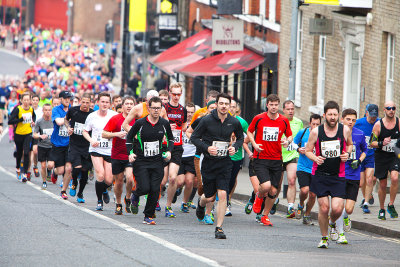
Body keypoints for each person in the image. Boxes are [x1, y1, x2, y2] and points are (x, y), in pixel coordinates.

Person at [191, 93, 244, 239]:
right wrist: (206, 148)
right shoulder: (206, 120)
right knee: (209, 197)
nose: (224, 106)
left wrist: (236, 147)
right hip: (209, 162)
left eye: (227, 104)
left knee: (222, 194)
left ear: (229, 105)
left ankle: (219, 228)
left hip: (225, 162)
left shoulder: (233, 122)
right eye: (221, 103)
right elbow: (194, 137)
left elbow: (240, 137)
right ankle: (201, 204)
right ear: (217, 104)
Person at [305, 101, 353, 248]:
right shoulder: (316, 132)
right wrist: (315, 158)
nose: (333, 117)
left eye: (335, 114)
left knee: (338, 208)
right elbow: (307, 150)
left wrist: (347, 153)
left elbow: (350, 144)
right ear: (324, 115)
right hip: (320, 174)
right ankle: (324, 238)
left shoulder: (344, 130)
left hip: (338, 175)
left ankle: (332, 223)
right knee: (324, 208)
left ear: (338, 115)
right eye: (330, 114)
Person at [126, 96, 174, 225]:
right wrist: (130, 153)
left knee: (155, 189)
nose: (156, 110)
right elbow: (129, 138)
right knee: (145, 187)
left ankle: (148, 215)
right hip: (141, 160)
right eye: (154, 108)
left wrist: (169, 151)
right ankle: (135, 195)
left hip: (157, 160)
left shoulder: (164, 124)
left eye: (159, 108)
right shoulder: (140, 123)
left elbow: (171, 139)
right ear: (149, 108)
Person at [248, 94, 292, 227]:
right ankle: (259, 197)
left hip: (276, 159)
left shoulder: (284, 120)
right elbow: (249, 132)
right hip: (261, 158)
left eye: (276, 105)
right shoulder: (259, 118)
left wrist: (287, 141)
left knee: (273, 191)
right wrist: (254, 144)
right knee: (266, 186)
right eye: (271, 105)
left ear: (278, 106)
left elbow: (289, 135)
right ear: (267, 105)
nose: (273, 107)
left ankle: (265, 215)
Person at [336, 108, 367, 244]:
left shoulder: (360, 134)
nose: (351, 122)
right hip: (340, 174)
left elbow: (365, 151)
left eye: (353, 120)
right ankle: (340, 233)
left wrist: (359, 160)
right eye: (348, 119)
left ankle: (346, 217)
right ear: (342, 119)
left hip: (354, 175)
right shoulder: (336, 134)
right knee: (339, 206)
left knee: (348, 209)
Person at [83, 92, 118, 211]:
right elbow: (85, 131)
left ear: (110, 104)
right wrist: (91, 140)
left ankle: (103, 190)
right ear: (98, 102)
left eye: (107, 102)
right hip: (96, 149)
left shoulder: (114, 115)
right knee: (100, 174)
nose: (104, 104)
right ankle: (99, 202)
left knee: (108, 179)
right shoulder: (92, 116)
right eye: (102, 101)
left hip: (109, 150)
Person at [103, 96, 136, 215]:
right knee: (119, 182)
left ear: (134, 106)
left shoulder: (137, 120)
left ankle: (127, 198)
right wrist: (117, 134)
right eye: (126, 104)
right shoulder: (115, 119)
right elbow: (104, 133)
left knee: (130, 179)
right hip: (117, 154)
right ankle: (118, 204)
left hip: (130, 154)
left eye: (131, 104)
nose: (128, 106)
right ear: (122, 106)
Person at [370, 101, 399, 220]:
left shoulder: (398, 122)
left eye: (393, 108)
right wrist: (382, 143)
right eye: (389, 108)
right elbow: (371, 143)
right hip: (381, 156)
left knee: (395, 177)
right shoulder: (378, 125)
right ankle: (382, 209)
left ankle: (391, 204)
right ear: (384, 110)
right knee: (382, 184)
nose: (391, 110)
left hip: (394, 155)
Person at [163, 83, 188, 217]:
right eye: (174, 94)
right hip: (163, 145)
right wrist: (167, 127)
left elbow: (183, 124)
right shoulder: (164, 107)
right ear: (170, 93)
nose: (176, 96)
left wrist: (180, 129)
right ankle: (154, 200)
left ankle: (168, 206)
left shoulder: (182, 110)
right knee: (162, 180)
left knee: (173, 178)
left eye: (179, 94)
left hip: (177, 146)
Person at [292, 114, 321, 224]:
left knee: (313, 195)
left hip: (316, 169)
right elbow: (294, 143)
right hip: (303, 167)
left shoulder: (322, 135)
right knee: (304, 190)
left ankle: (307, 214)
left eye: (317, 124)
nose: (315, 126)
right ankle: (300, 204)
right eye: (313, 124)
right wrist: (299, 149)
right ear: (310, 123)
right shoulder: (303, 132)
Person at [65, 93, 93, 203]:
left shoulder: (92, 114)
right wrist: (68, 128)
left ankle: (80, 193)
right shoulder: (73, 110)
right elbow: (66, 120)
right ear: (81, 101)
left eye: (87, 102)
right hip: (75, 144)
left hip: (87, 145)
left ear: (90, 103)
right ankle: (74, 182)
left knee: (85, 171)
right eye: (83, 102)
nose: (85, 104)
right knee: (77, 168)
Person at [278, 100, 303, 218]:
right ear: (283, 110)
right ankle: (273, 200)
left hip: (292, 155)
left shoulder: (299, 123)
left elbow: (300, 139)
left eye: (292, 109)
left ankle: (290, 207)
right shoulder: (278, 121)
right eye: (288, 109)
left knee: (292, 180)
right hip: (278, 155)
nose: (291, 111)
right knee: (276, 185)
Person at [226, 99, 249, 216]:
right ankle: (224, 203)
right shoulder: (222, 120)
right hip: (223, 155)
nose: (231, 108)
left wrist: (243, 142)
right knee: (223, 178)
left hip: (237, 156)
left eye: (233, 106)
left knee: (232, 180)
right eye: (229, 106)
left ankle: (227, 200)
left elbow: (250, 133)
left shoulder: (242, 122)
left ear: (236, 109)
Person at [48, 91, 73, 199]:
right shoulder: (56, 109)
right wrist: (68, 119)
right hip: (57, 143)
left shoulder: (72, 109)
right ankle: (54, 172)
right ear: (61, 99)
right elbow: (58, 122)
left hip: (70, 143)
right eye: (65, 98)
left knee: (69, 168)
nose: (68, 100)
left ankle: (63, 191)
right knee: (60, 170)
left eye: (69, 98)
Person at [354, 104, 379, 213]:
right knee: (361, 182)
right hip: (360, 155)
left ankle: (366, 202)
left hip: (372, 155)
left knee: (370, 179)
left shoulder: (379, 123)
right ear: (367, 113)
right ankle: (367, 196)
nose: (373, 118)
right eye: (371, 115)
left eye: (375, 115)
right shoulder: (359, 123)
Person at [9, 93, 36, 182]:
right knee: (19, 153)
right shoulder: (18, 109)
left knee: (26, 152)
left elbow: (33, 117)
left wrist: (33, 122)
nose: (26, 102)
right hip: (18, 134)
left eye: (28, 100)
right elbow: (10, 121)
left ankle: (24, 173)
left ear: (30, 101)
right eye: (24, 100)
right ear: (21, 100)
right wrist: (20, 120)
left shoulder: (31, 109)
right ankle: (18, 168)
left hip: (28, 133)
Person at [176, 102, 197, 213]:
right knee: (180, 182)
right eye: (187, 112)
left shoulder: (197, 124)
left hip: (191, 156)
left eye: (191, 112)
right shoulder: (180, 123)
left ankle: (184, 203)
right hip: (180, 155)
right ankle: (176, 189)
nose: (189, 114)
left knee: (189, 182)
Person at [33, 103, 53, 189]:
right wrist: (40, 136)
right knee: (43, 165)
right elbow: (34, 134)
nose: (48, 112)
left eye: (49, 110)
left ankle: (49, 171)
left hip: (52, 146)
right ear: (43, 111)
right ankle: (44, 181)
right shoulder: (39, 121)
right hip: (42, 146)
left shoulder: (54, 121)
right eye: (46, 110)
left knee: (50, 165)